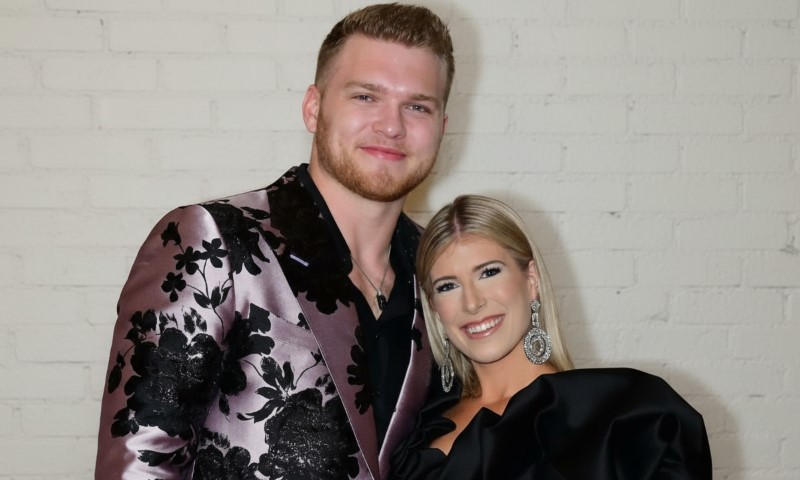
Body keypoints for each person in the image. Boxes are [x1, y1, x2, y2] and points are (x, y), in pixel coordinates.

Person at [95, 4, 454, 479]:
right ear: (313, 108)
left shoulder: (442, 270)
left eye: (418, 106)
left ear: (442, 127)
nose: (392, 125)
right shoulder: (214, 239)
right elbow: (141, 465)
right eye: (366, 96)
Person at [390, 195, 712, 479]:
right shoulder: (416, 433)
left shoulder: (626, 415)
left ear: (531, 280)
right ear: (434, 308)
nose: (472, 303)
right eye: (448, 286)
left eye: (489, 272)